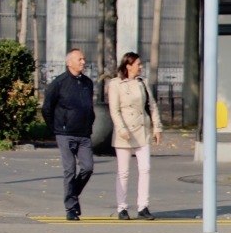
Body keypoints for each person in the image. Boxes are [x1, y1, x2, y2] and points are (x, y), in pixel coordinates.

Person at [107, 52, 162, 220]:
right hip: (124, 133)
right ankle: (122, 207)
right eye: (138, 64)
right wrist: (122, 129)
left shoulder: (142, 83)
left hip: (141, 130)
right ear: (128, 66)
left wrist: (157, 127)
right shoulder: (116, 84)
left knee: (145, 168)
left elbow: (152, 106)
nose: (141, 67)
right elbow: (114, 110)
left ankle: (143, 206)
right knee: (123, 172)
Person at [42, 48, 95, 220]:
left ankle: (73, 195)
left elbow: (89, 107)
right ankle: (70, 208)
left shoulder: (88, 83)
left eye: (84, 59)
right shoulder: (59, 83)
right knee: (70, 169)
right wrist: (56, 128)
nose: (83, 62)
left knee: (87, 167)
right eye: (79, 59)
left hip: (84, 133)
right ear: (69, 62)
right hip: (65, 133)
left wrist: (89, 125)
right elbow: (47, 108)